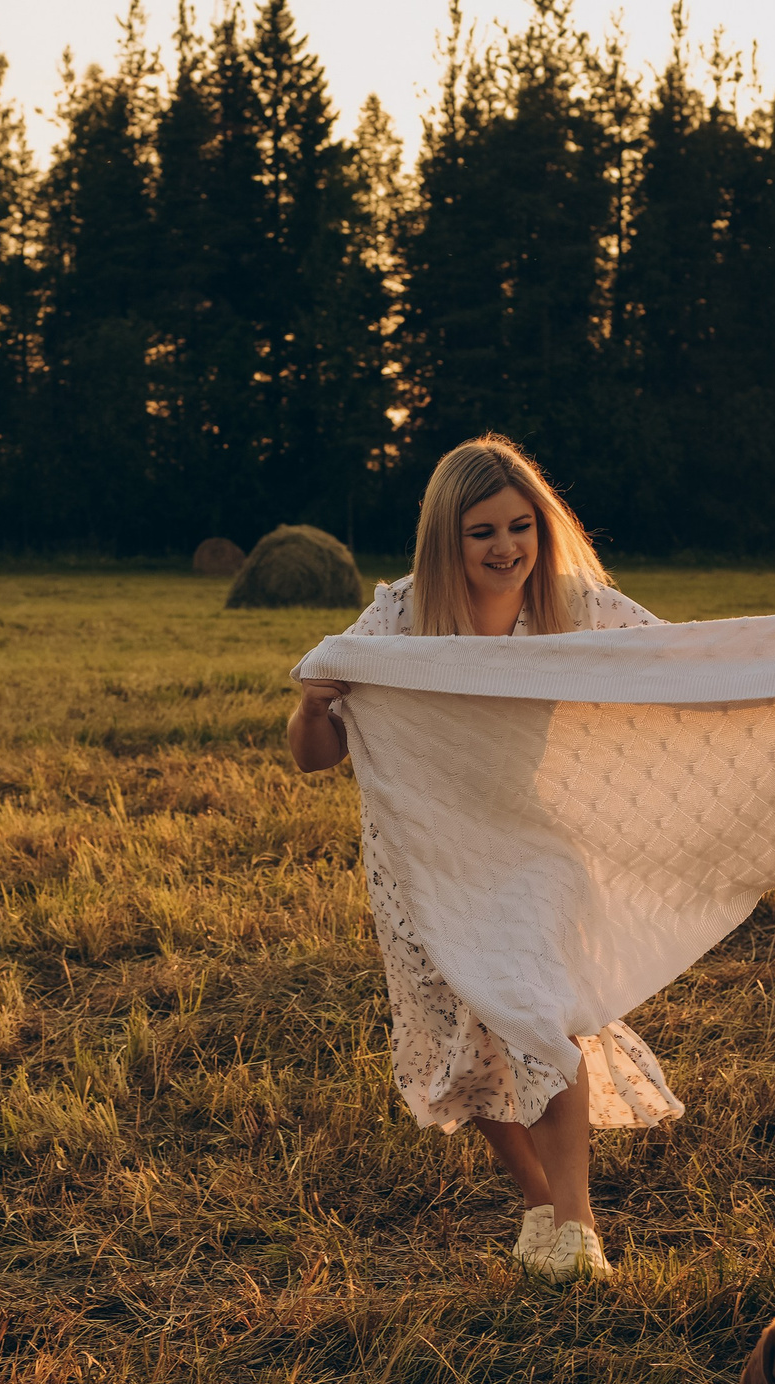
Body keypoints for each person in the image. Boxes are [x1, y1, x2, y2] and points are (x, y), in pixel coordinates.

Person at [287, 435, 682, 1282]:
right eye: (481, 532)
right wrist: (318, 704)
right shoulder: (397, 616)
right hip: (424, 860)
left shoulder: (576, 607)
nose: (506, 548)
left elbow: (683, 663)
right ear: (445, 539)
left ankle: (578, 1230)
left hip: (535, 846)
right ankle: (540, 1206)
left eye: (520, 526)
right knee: (466, 1037)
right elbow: (313, 754)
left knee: (540, 1014)